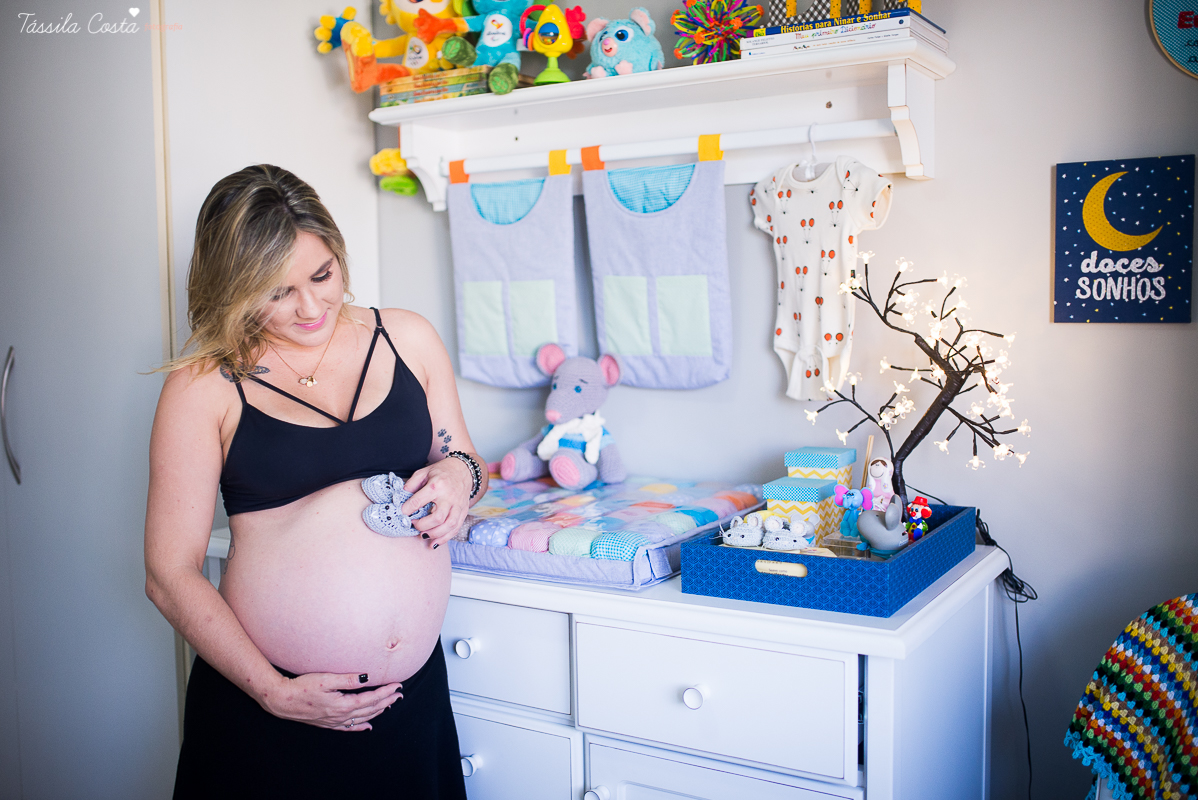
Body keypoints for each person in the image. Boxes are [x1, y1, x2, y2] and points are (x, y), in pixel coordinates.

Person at [144, 164, 486, 798]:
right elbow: (169, 574)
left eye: (321, 275)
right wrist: (275, 693)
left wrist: (457, 480)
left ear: (337, 254)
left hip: (410, 702)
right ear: (232, 288)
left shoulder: (406, 338)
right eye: (275, 292)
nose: (309, 307)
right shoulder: (202, 388)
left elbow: (466, 461)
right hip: (271, 707)